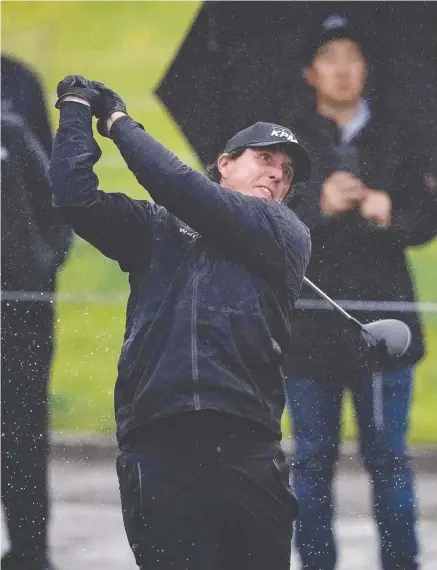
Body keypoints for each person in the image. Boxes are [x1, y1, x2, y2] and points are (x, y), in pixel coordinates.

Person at [49, 74, 312, 570]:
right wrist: (76, 112)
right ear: (225, 164)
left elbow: (179, 186)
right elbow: (74, 198)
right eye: (265, 159)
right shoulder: (155, 229)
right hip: (158, 449)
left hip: (246, 455)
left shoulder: (284, 232)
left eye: (287, 172)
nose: (278, 174)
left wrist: (120, 122)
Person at [275, 14, 437, 570]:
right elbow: (262, 217)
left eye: (353, 57)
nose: (343, 70)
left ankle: (402, 562)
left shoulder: (401, 132)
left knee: (388, 457)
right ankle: (316, 562)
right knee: (311, 459)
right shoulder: (286, 142)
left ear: (367, 68)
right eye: (330, 58)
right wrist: (317, 205)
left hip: (383, 320)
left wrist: (391, 213)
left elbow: (425, 218)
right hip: (308, 323)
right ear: (309, 71)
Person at [1, 57, 72, 570]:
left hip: (19, 304)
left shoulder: (19, 84)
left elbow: (55, 190)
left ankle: (30, 552)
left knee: (22, 432)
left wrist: (42, 265)